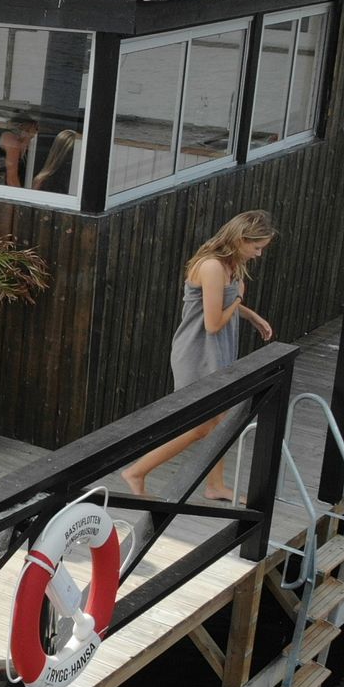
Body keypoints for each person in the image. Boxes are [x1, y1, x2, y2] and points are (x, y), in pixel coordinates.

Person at [121, 210, 277, 500]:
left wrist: (250, 315)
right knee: (201, 425)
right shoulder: (212, 266)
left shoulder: (231, 265)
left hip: (217, 351)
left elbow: (218, 302)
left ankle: (215, 486)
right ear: (241, 239)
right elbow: (213, 322)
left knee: (219, 419)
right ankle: (137, 472)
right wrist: (240, 298)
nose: (258, 254)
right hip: (196, 352)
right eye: (256, 247)